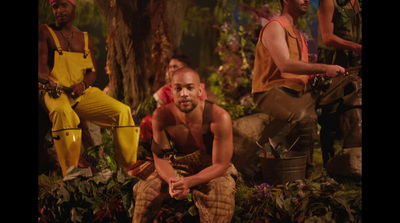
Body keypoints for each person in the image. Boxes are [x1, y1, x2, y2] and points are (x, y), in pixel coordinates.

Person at [38, 0, 139, 177]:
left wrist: (82, 85)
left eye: (63, 5)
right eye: (55, 7)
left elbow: (92, 72)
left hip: (80, 93)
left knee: (123, 111)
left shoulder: (85, 38)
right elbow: (41, 65)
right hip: (54, 91)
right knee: (63, 113)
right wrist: (47, 79)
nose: (59, 10)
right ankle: (71, 170)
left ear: (73, 7)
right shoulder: (45, 31)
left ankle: (129, 169)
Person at [251, 0, 345, 177]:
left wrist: (319, 78)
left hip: (296, 92)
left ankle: (329, 168)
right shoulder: (275, 26)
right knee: (306, 118)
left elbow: (300, 74)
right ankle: (303, 176)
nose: (307, 0)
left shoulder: (298, 34)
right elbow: (285, 65)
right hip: (271, 91)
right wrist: (324, 68)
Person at [132, 67, 238, 223]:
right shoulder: (162, 116)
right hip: (179, 166)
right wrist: (172, 182)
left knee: (220, 199)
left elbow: (221, 165)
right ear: (172, 92)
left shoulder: (219, 117)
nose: (184, 94)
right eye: (178, 88)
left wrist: (189, 182)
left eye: (189, 87)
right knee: (146, 191)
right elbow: (160, 158)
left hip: (212, 169)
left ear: (200, 90)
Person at [317, 0, 362, 166]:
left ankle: (352, 161)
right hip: (333, 64)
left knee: (355, 109)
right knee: (330, 114)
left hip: (356, 64)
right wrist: (354, 46)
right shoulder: (330, 2)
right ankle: (329, 165)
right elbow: (327, 36)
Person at [140, 54, 207, 142]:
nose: (171, 70)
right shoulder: (164, 91)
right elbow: (161, 116)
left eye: (175, 66)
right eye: (170, 67)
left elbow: (205, 111)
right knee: (147, 122)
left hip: (193, 124)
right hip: (171, 127)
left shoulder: (198, 87)